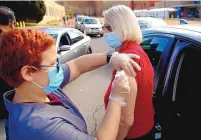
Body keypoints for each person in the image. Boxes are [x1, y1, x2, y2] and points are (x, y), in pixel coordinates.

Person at [0, 29, 141, 140]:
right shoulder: (40, 126)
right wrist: (116, 98)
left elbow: (77, 65)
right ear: (28, 73)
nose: (58, 68)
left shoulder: (38, 88)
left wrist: (111, 58)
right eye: (52, 64)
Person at [103, 5, 155, 140]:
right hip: (145, 127)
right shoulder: (135, 50)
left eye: (108, 27)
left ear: (122, 28)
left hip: (132, 134)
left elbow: (126, 121)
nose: (104, 32)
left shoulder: (128, 61)